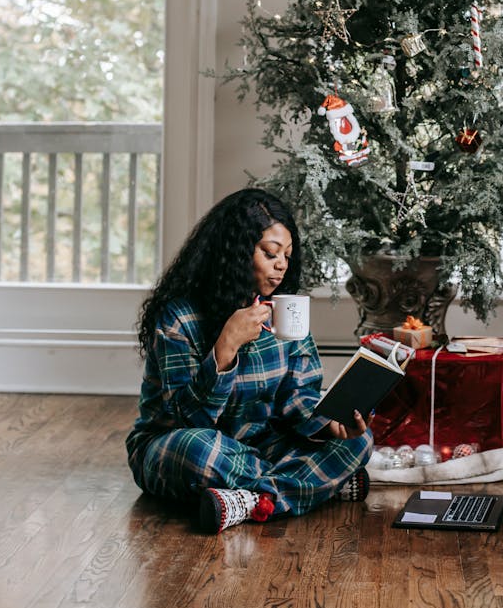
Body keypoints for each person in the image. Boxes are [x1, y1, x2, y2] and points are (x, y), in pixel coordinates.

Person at [126, 187, 373, 533]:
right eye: (271, 253)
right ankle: (308, 487)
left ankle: (249, 501)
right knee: (199, 450)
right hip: (178, 444)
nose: (282, 265)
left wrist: (327, 425)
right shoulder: (179, 318)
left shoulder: (283, 313)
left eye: (287, 255)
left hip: (260, 445)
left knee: (358, 441)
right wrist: (225, 347)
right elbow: (186, 420)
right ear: (235, 252)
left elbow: (298, 399)